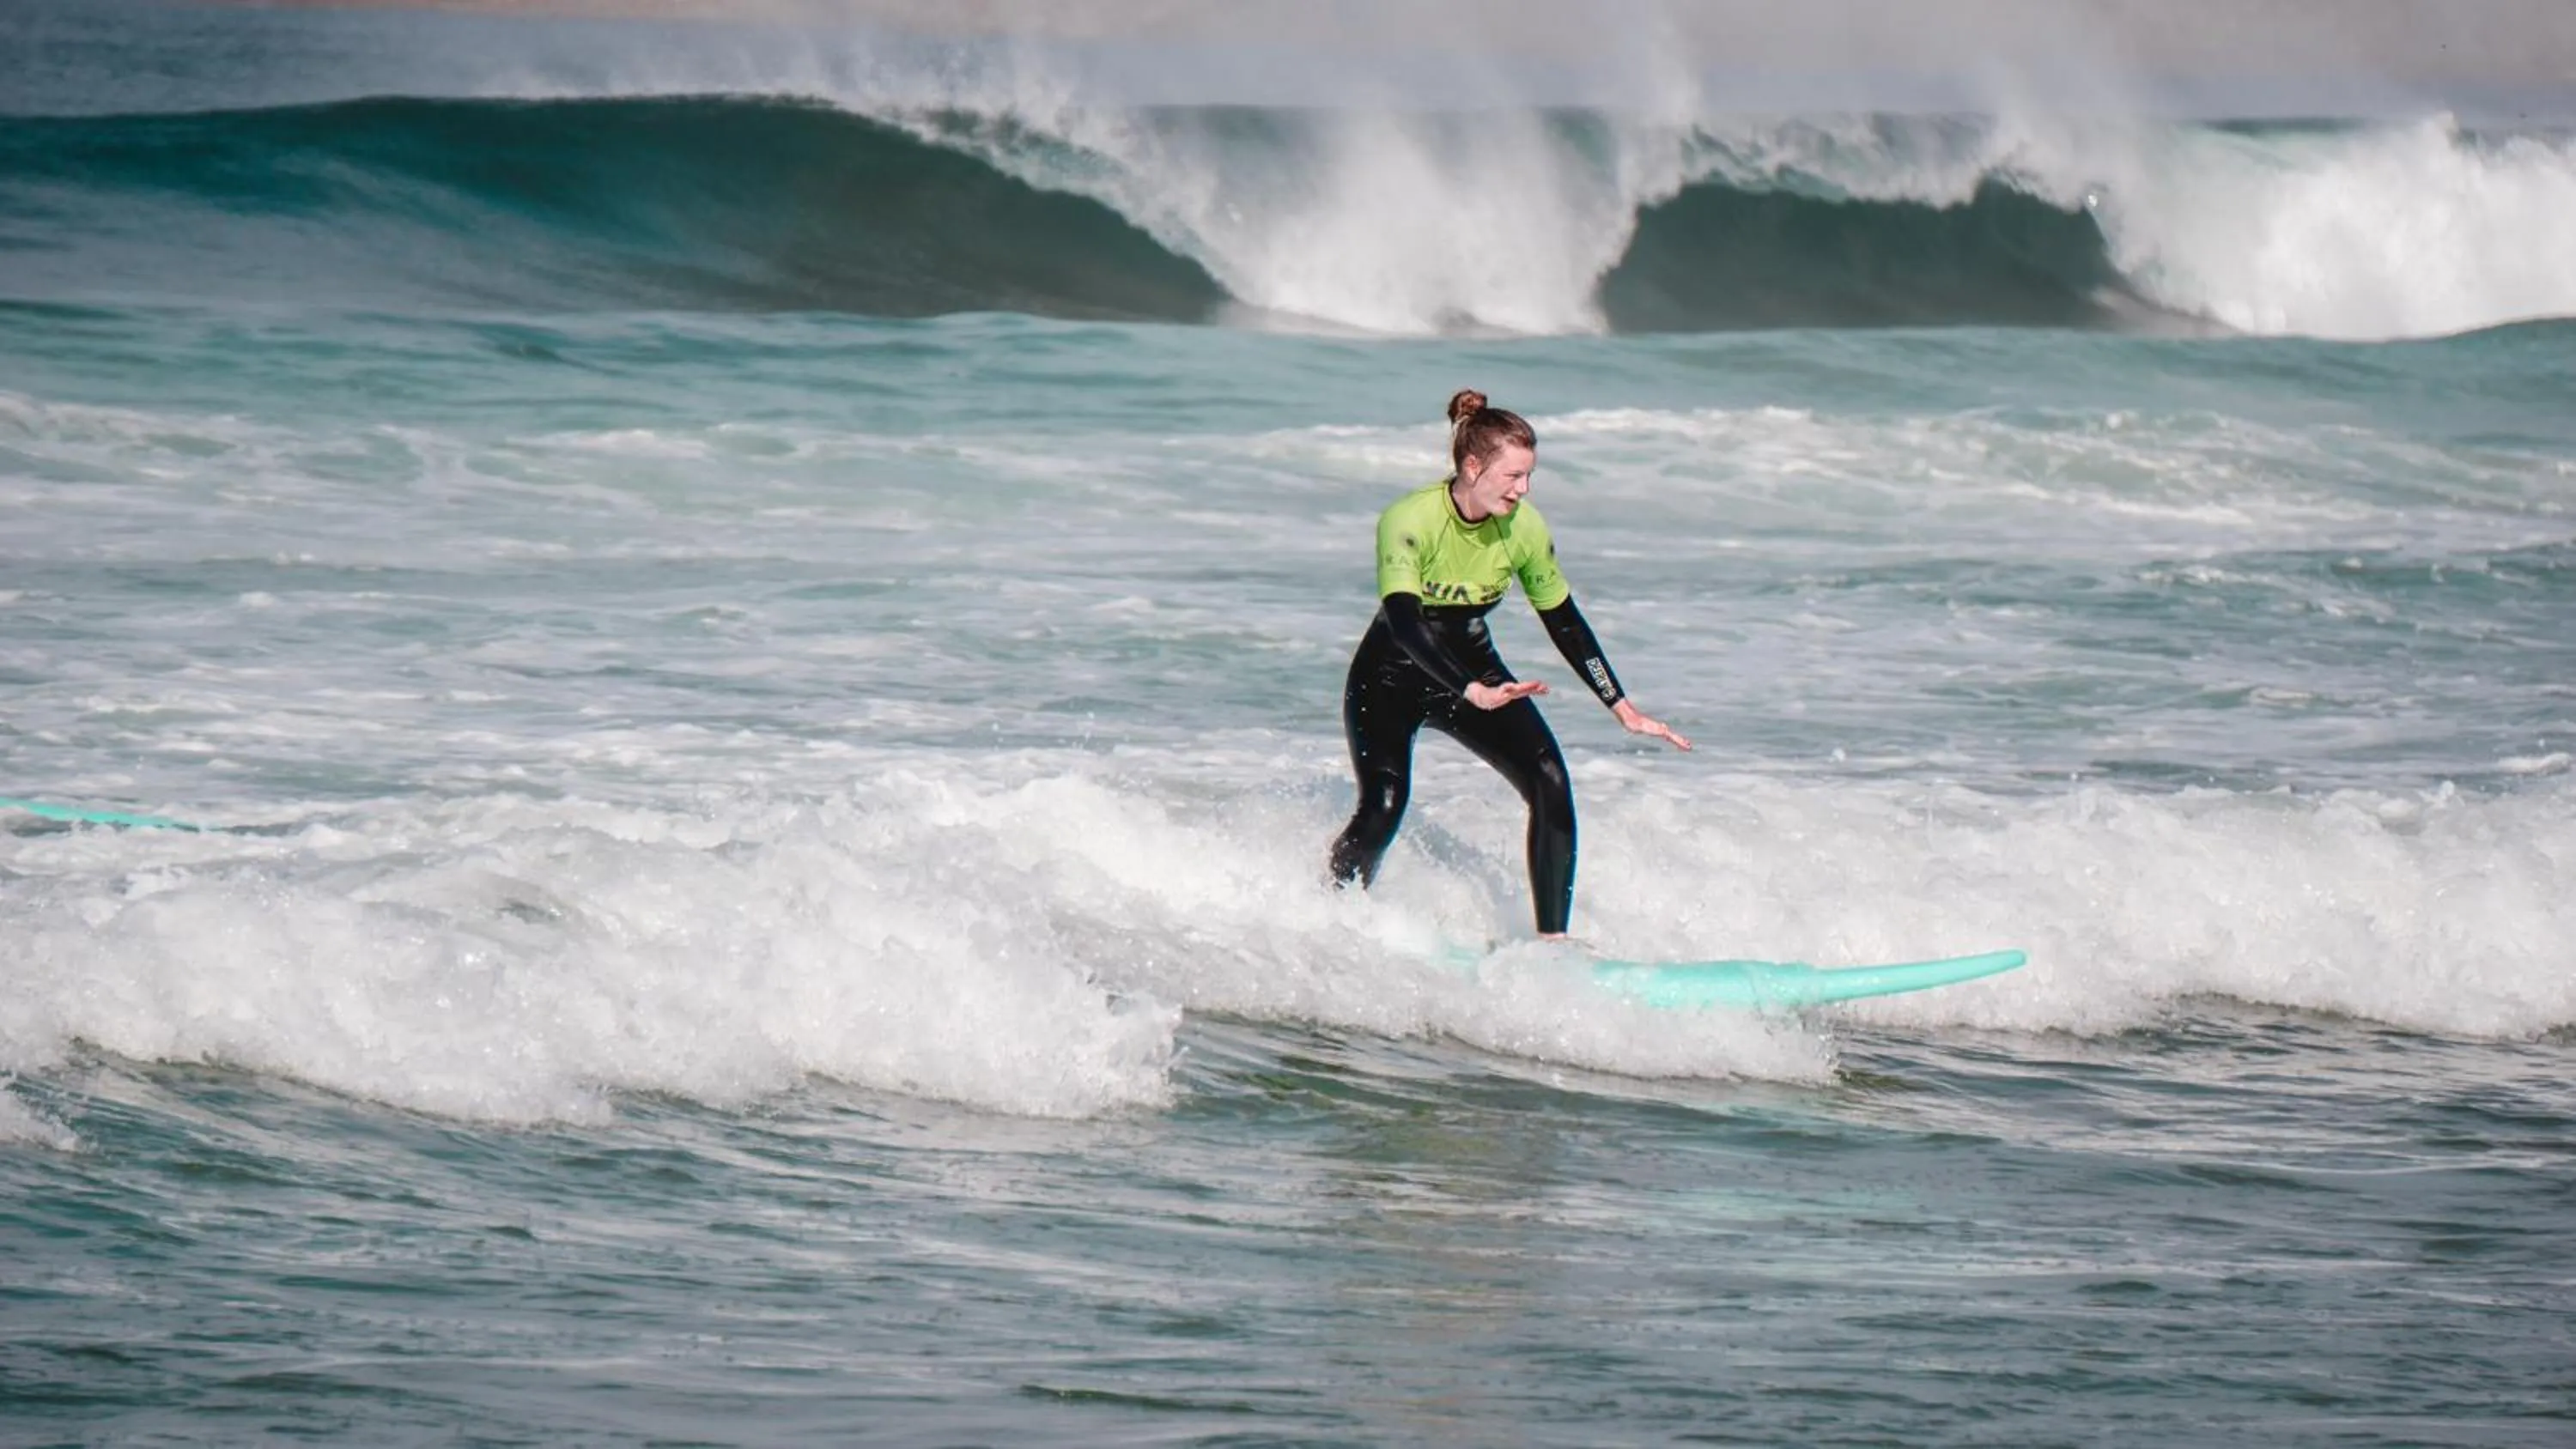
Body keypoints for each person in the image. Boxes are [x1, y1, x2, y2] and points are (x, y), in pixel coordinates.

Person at [1328, 389, 1690, 938]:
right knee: (1384, 804)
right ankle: (1332, 913)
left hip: (1476, 669)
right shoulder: (1410, 519)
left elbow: (1565, 621)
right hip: (1391, 675)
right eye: (1513, 476)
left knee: (1549, 779)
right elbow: (1405, 623)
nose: (1523, 490)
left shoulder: (1524, 528)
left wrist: (1621, 706)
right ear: (1473, 467)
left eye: (1529, 477)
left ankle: (1553, 942)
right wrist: (1468, 690)